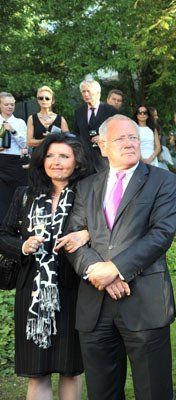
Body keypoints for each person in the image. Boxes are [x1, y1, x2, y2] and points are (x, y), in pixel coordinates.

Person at [67, 114, 176, 400]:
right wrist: (99, 272)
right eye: (121, 138)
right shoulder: (86, 186)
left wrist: (116, 268)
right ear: (102, 146)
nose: (130, 143)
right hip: (95, 305)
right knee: (101, 393)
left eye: (133, 137)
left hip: (144, 302)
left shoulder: (163, 181)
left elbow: (161, 234)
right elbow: (74, 236)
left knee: (153, 392)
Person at [0, 134, 92, 400]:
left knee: (70, 369)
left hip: (73, 289)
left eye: (64, 156)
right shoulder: (25, 194)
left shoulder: (88, 195)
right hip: (32, 292)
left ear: (77, 161)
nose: (56, 162)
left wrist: (85, 234)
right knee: (37, 371)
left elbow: (105, 232)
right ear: (42, 161)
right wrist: (23, 245)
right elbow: (3, 235)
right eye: (50, 156)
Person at [71, 78, 117, 172]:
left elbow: (118, 132)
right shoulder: (79, 112)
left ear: (98, 93)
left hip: (105, 160)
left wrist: (104, 137)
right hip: (85, 160)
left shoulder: (110, 111)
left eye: (88, 91)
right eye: (83, 91)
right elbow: (76, 134)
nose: (86, 94)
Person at [0, 92, 28, 223]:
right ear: (0, 105)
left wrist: (13, 130)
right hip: (1, 161)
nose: (10, 107)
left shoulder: (19, 122)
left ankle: (16, 224)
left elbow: (25, 144)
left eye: (12, 104)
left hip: (15, 163)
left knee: (17, 194)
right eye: (6, 104)